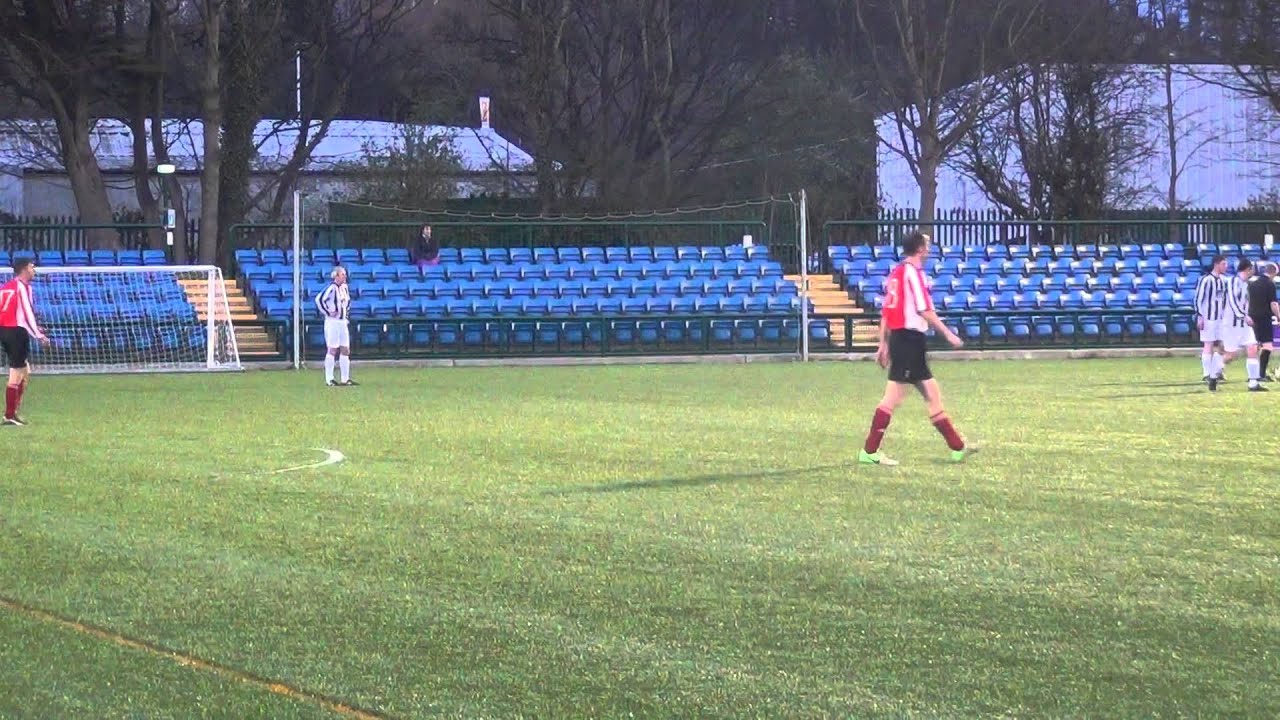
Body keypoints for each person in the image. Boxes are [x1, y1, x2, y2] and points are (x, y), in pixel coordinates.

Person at [859, 231, 971, 467]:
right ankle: (869, 450)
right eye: (927, 245)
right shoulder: (913, 274)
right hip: (909, 340)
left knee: (932, 393)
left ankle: (958, 447)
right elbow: (925, 310)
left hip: (907, 341)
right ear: (920, 249)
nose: (929, 249)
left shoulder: (897, 273)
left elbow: (887, 312)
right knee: (893, 398)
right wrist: (948, 333)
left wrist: (883, 343)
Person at [0, 257, 52, 426]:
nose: (34, 270)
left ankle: (13, 411)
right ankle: (9, 415)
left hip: (5, 330)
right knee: (16, 372)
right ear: (24, 269)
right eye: (31, 267)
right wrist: (38, 334)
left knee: (24, 370)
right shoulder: (22, 287)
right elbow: (26, 314)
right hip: (15, 331)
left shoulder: (6, 287)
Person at [1222, 259, 1264, 392]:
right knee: (1230, 356)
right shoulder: (1233, 281)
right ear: (1248, 269)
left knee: (1252, 348)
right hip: (1232, 324)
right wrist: (1243, 315)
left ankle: (1253, 382)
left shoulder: (1246, 284)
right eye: (1252, 269)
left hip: (1244, 325)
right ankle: (1214, 371)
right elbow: (1232, 300)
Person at [315, 266, 357, 387]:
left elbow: (347, 303)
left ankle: (345, 378)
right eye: (342, 274)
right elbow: (319, 300)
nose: (345, 276)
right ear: (336, 276)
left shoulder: (345, 287)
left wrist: (346, 314)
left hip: (343, 322)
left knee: (345, 349)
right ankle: (329, 379)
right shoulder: (331, 288)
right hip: (332, 322)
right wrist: (328, 312)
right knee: (332, 349)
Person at [1194, 255, 1230, 389]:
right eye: (1224, 264)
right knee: (1208, 344)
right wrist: (1199, 316)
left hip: (1221, 318)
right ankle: (1207, 373)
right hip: (1208, 317)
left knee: (1223, 345)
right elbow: (1198, 298)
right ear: (1217, 264)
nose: (1226, 267)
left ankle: (1217, 370)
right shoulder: (1206, 280)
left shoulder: (1225, 280)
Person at [1247, 261, 1280, 381]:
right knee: (1267, 346)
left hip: (1252, 318)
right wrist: (1279, 316)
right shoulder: (1270, 284)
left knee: (1255, 347)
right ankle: (1261, 374)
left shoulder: (1252, 284)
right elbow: (1273, 304)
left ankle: (1253, 374)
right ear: (1273, 273)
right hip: (1264, 318)